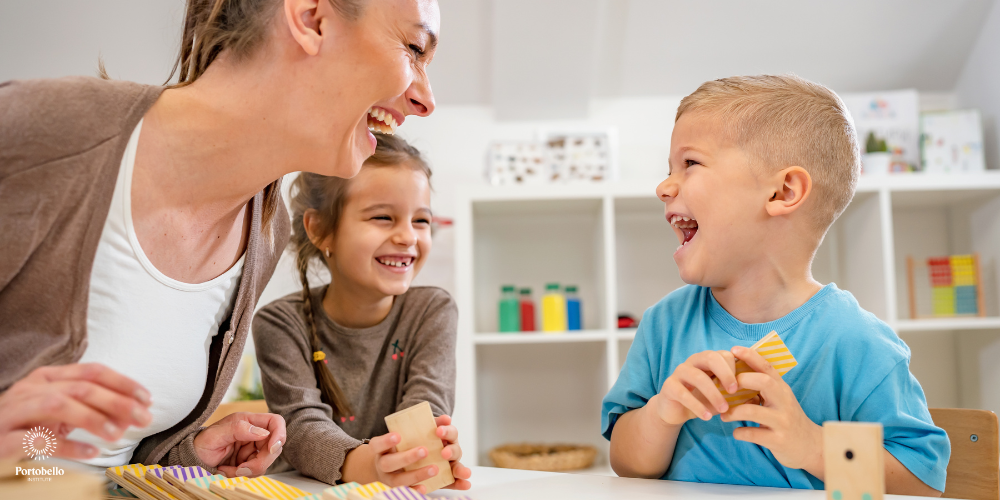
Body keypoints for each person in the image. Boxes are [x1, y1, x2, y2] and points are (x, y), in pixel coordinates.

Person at [0, 0, 439, 476]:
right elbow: (30, 460)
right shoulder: (44, 133)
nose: (425, 99)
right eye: (414, 48)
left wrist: (188, 455)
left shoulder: (264, 231)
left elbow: (104, 456)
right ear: (312, 19)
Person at [601, 75, 949, 496]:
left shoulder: (857, 343)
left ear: (784, 191)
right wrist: (663, 413)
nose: (664, 186)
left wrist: (814, 447)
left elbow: (922, 482)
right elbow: (626, 464)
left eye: (690, 163)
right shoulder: (664, 325)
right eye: (668, 168)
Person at [252, 134, 470, 492]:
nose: (408, 237)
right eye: (383, 217)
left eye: (420, 220)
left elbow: (425, 408)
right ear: (320, 229)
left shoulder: (432, 309)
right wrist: (370, 465)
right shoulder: (279, 323)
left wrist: (422, 458)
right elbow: (301, 427)